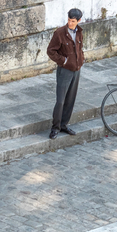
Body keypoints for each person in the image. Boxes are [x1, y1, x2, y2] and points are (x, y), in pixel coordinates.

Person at [46, 8, 85, 139]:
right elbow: (51, 51)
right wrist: (64, 61)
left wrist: (81, 59)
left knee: (70, 100)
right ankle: (55, 127)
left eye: (73, 21)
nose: (70, 23)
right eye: (69, 20)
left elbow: (80, 48)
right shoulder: (59, 33)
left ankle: (64, 125)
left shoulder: (79, 32)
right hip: (65, 70)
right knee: (60, 101)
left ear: (79, 21)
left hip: (76, 70)